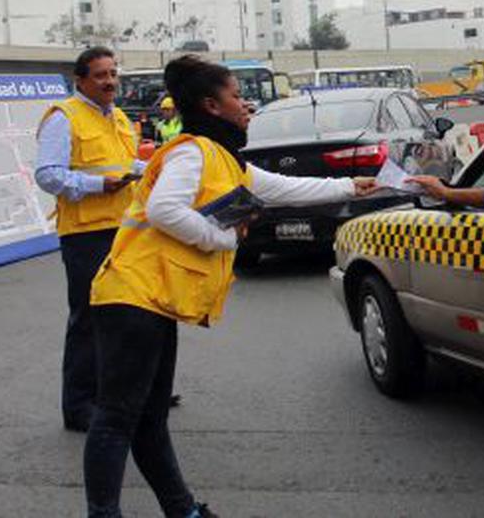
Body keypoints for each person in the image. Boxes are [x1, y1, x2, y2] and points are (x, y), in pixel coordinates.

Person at [84, 55, 377, 518]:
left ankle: (182, 511)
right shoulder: (190, 152)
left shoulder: (223, 159)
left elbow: (282, 188)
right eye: (237, 96)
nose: (246, 105)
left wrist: (348, 187)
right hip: (131, 296)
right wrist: (221, 237)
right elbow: (164, 210)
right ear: (210, 105)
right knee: (119, 417)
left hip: (152, 300)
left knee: (148, 418)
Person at [36, 46, 143, 433]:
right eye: (101, 75)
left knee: (128, 314)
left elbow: (126, 164)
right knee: (89, 320)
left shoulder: (116, 117)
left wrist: (160, 167)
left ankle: (124, 394)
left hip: (125, 229)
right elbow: (47, 174)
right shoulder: (64, 117)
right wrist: (98, 185)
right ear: (80, 80)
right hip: (85, 234)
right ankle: (79, 407)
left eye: (113, 73)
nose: (110, 81)